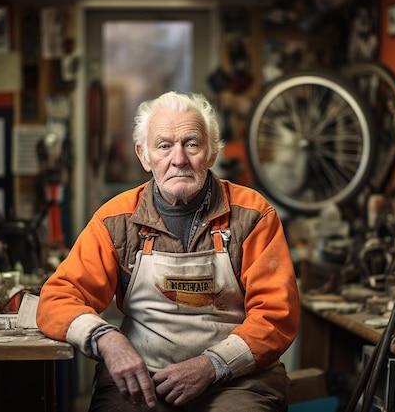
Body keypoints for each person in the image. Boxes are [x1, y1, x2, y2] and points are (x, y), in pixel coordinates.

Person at [36, 91, 300, 411]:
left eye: (191, 144)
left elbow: (276, 315)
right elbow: (58, 298)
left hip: (237, 379)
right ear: (144, 156)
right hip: (143, 376)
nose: (178, 159)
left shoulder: (253, 215)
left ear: (212, 152)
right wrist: (107, 339)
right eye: (164, 146)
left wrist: (211, 365)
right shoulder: (115, 220)